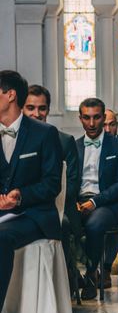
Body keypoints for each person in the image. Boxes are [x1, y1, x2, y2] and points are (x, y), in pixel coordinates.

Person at [0, 70, 63, 313]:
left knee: (1, 238)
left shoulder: (44, 134)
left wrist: (20, 196)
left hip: (34, 215)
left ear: (10, 95)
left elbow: (52, 183)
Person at [23, 84, 82, 289]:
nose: (36, 114)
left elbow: (72, 184)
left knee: (62, 224)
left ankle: (66, 283)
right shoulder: (13, 138)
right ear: (22, 108)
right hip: (21, 205)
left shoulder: (64, 141)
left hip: (58, 206)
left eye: (42, 108)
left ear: (48, 110)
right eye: (30, 108)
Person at [76, 98, 118, 300]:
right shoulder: (73, 146)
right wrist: (73, 201)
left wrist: (95, 202)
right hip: (78, 202)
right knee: (59, 224)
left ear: (103, 118)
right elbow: (70, 180)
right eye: (87, 118)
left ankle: (91, 275)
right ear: (80, 118)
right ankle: (72, 275)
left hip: (108, 205)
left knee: (94, 225)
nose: (92, 123)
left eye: (97, 117)